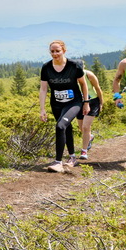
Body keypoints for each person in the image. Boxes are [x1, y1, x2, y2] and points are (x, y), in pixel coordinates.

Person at [39, 40, 90, 172]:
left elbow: (83, 84)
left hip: (74, 102)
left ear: (64, 51)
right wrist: (42, 109)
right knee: (66, 128)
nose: (55, 54)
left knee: (60, 126)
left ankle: (58, 162)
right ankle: (72, 157)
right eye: (52, 51)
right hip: (56, 103)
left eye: (58, 51)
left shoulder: (74, 65)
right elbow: (43, 89)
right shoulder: (46, 67)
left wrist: (86, 102)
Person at [75, 62, 104, 160]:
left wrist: (101, 103)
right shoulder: (71, 76)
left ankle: (84, 151)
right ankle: (90, 137)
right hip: (79, 102)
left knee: (86, 126)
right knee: (81, 128)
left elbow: (98, 89)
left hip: (92, 102)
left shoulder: (89, 75)